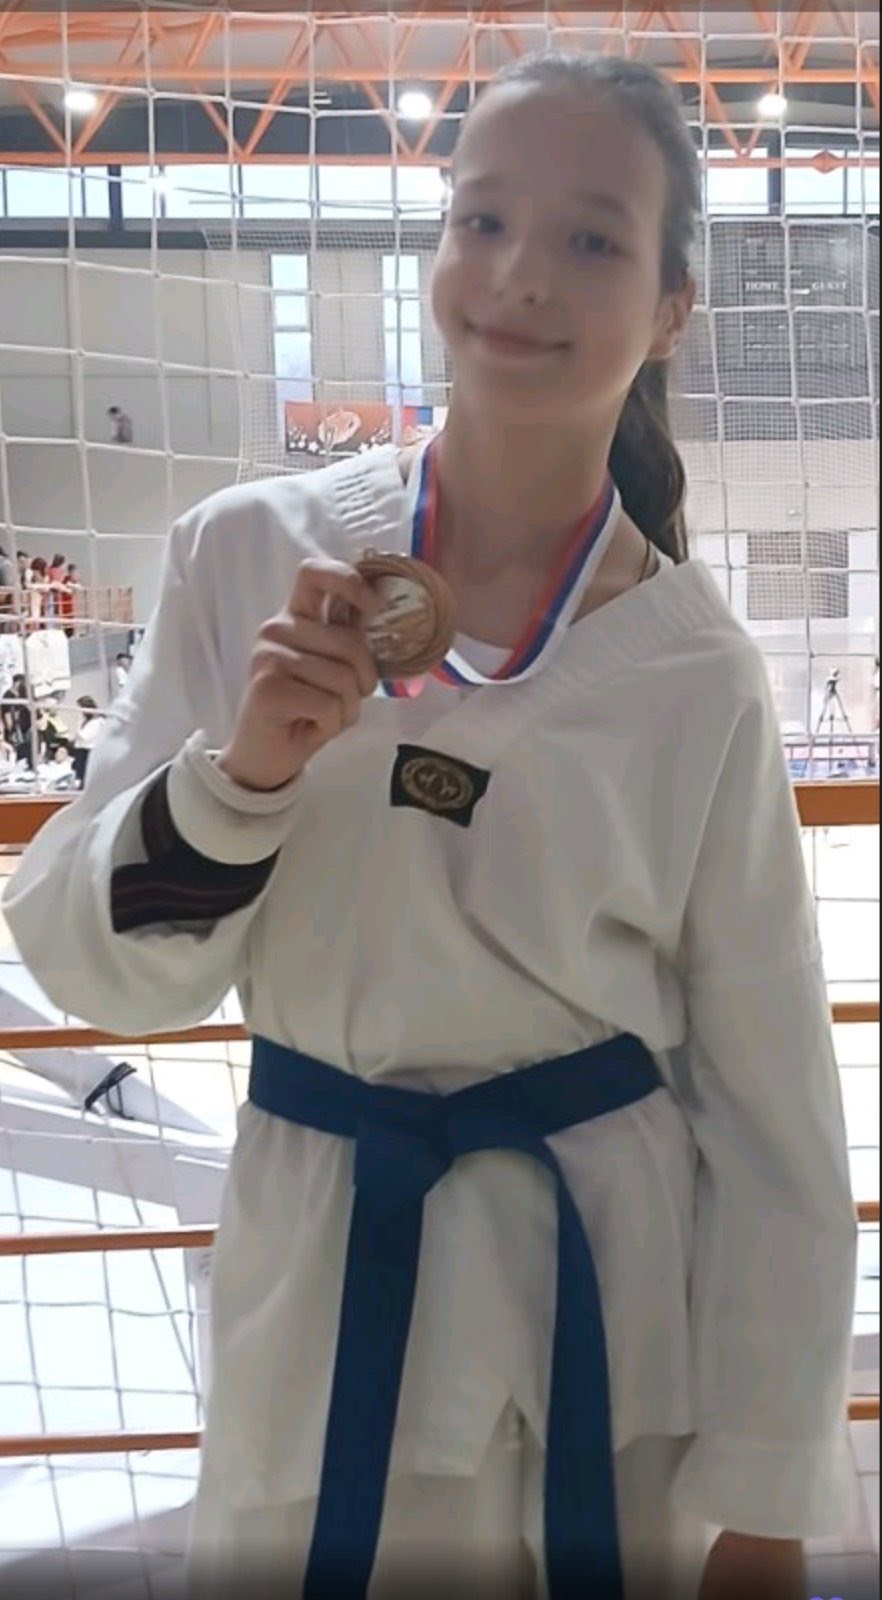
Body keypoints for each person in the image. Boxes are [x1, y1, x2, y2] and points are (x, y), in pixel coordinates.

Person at [2, 51, 858, 1600]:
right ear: (436, 243)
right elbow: (94, 969)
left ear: (671, 305)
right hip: (329, 1270)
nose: (521, 273)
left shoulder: (695, 671)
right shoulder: (245, 556)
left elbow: (773, 1116)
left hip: (608, 1312)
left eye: (590, 237)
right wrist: (239, 779)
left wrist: (764, 1502)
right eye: (482, 220)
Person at [72, 695, 105, 787]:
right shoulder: (89, 721)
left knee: (84, 775)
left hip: (87, 750)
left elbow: (84, 736)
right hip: (83, 750)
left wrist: (78, 722)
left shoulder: (96, 722)